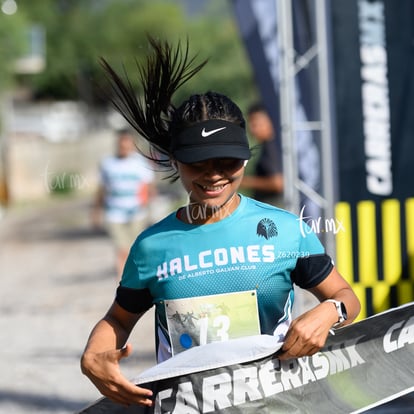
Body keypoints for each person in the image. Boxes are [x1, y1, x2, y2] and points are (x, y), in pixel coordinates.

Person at [81, 37, 360, 408]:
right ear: (175, 161)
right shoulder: (152, 245)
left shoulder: (286, 230)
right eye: (198, 163)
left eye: (226, 162)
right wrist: (93, 356)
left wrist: (329, 312)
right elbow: (118, 320)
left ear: (245, 160)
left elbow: (346, 298)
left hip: (279, 405)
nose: (214, 176)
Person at [92, 128, 155, 278]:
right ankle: (122, 282)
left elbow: (149, 187)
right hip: (115, 213)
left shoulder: (141, 163)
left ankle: (137, 279)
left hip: (136, 213)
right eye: (122, 143)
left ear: (132, 144)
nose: (125, 147)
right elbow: (101, 189)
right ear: (117, 144)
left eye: (128, 144)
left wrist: (148, 206)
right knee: (121, 248)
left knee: (136, 248)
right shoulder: (108, 164)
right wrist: (96, 211)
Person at [240, 103, 284, 207]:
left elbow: (278, 183)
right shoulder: (269, 146)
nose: (251, 128)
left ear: (270, 121)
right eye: (250, 123)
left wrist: (245, 181)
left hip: (274, 210)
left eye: (255, 123)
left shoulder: (272, 148)